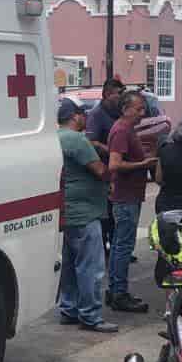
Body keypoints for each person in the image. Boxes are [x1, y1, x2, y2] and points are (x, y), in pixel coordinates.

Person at [56, 99, 117, 333]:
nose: (86, 118)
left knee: (70, 266)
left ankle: (69, 309)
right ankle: (91, 315)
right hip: (85, 212)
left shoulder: (54, 137)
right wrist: (115, 168)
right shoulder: (76, 139)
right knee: (91, 267)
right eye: (83, 114)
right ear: (75, 116)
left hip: (66, 211)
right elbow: (99, 170)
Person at [106, 91, 157, 313]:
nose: (142, 113)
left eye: (143, 108)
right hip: (125, 198)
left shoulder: (128, 130)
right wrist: (143, 163)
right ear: (126, 109)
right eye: (138, 109)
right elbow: (114, 165)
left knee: (121, 245)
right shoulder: (121, 130)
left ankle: (116, 290)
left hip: (130, 196)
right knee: (122, 246)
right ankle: (119, 293)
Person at [87, 78, 127, 258]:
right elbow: (92, 141)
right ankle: (104, 250)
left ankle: (117, 249)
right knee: (105, 214)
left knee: (116, 213)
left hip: (118, 170)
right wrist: (111, 149)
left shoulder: (119, 113)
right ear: (107, 94)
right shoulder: (97, 114)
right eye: (118, 94)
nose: (121, 98)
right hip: (102, 170)